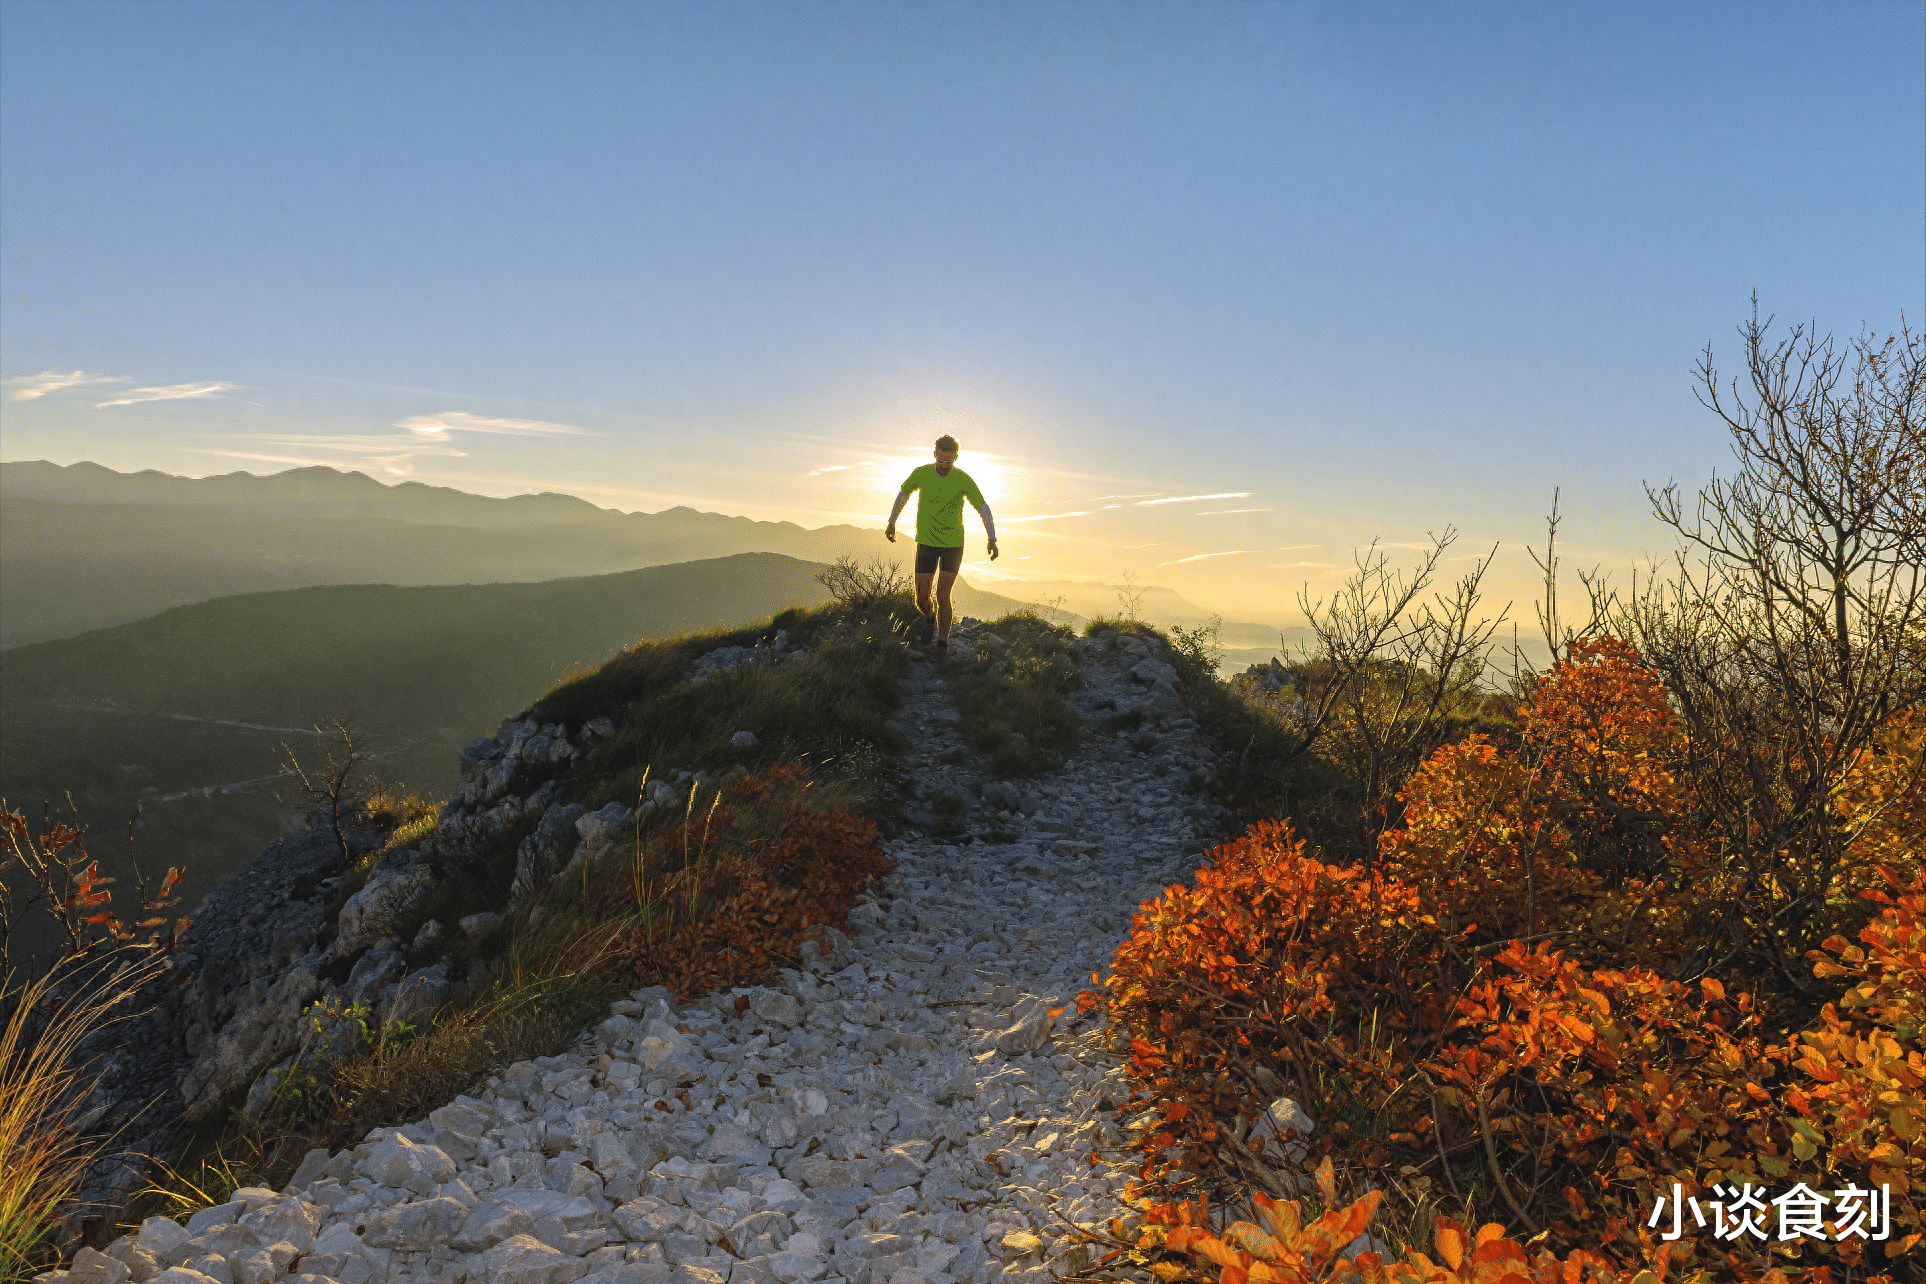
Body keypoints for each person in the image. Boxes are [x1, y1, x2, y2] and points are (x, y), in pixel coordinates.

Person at [885, 435, 998, 656]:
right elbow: (903, 494)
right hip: (926, 542)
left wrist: (991, 538)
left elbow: (983, 508)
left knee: (942, 594)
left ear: (956, 457)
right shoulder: (921, 473)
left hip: (953, 544)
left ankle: (942, 644)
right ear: (934, 454)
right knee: (921, 599)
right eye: (941, 460)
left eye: (949, 462)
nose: (944, 466)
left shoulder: (963, 480)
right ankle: (929, 618)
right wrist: (891, 522)